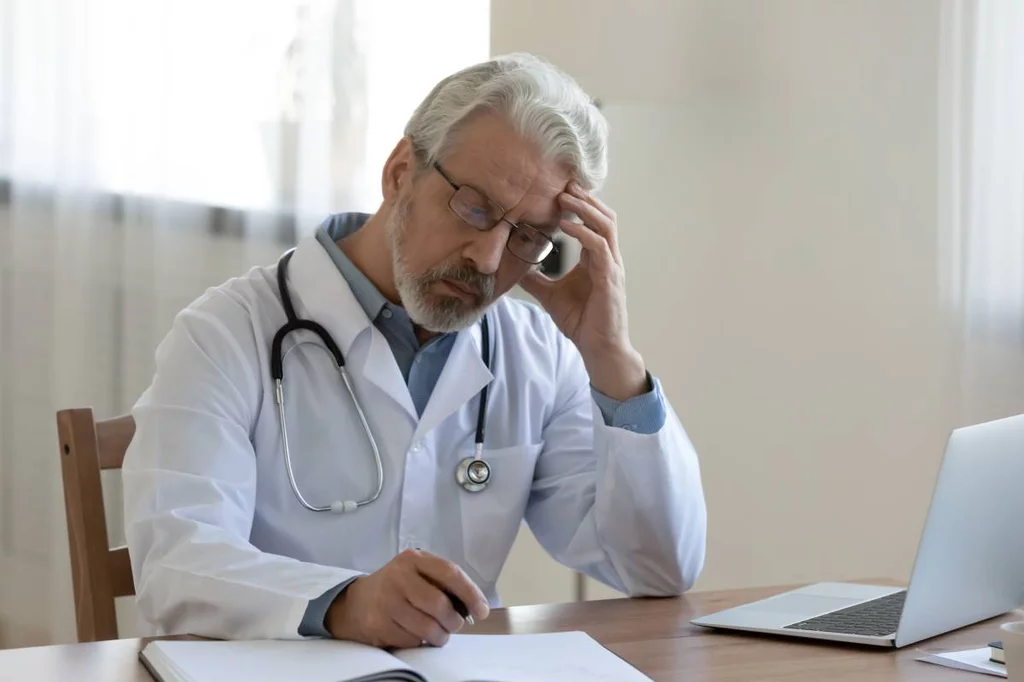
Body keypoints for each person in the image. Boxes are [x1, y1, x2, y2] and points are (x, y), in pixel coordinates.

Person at [122, 52, 706, 648]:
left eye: (526, 236)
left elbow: (658, 571)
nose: (486, 258)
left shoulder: (536, 353)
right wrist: (343, 603)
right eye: (474, 207)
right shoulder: (226, 332)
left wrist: (613, 361)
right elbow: (176, 561)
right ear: (401, 171)